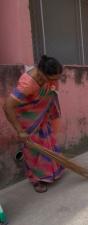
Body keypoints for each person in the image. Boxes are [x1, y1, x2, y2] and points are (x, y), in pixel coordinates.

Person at [3, 55, 64, 193]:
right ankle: (36, 180)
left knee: (49, 143)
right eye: (52, 79)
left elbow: (51, 91)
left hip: (42, 115)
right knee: (33, 150)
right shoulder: (28, 83)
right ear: (42, 72)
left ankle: (51, 173)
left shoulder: (48, 78)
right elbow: (7, 106)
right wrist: (20, 131)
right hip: (28, 119)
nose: (55, 82)